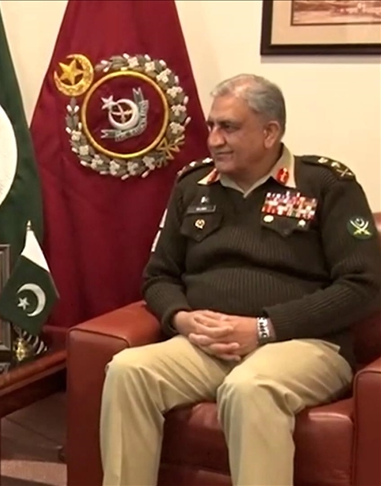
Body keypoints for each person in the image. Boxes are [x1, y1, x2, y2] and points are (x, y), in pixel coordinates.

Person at [99, 74, 381, 486]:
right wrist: (181, 318)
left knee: (250, 388)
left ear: (270, 133)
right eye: (212, 126)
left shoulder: (327, 185)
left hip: (303, 343)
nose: (214, 140)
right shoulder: (193, 186)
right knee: (128, 371)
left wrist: (265, 328)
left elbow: (363, 286)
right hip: (208, 343)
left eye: (229, 127)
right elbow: (158, 275)